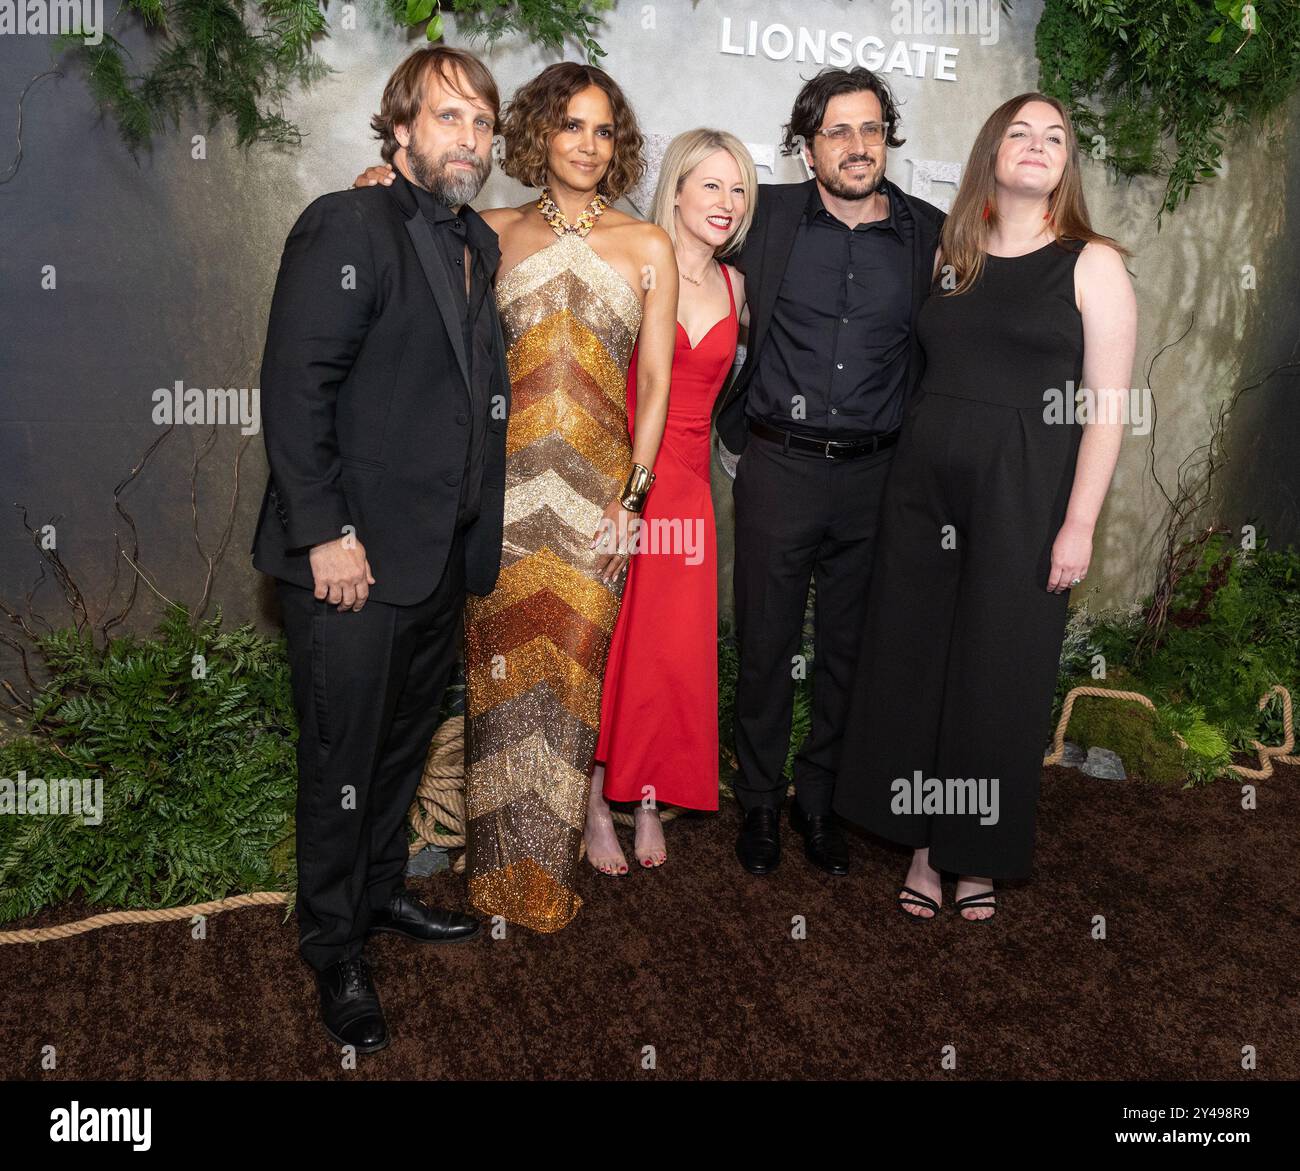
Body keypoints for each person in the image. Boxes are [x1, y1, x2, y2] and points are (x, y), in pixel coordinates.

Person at [357, 65, 677, 928]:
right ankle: (491, 873)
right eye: (571, 125)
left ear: (620, 146)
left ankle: (547, 870)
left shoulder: (649, 246)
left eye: (604, 131)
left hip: (597, 506)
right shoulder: (487, 231)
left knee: (569, 686)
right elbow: (415, 267)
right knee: (496, 686)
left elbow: (655, 384)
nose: (587, 145)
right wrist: (382, 185)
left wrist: (632, 498)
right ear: (538, 134)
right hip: (497, 499)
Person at [253, 46, 507, 1054]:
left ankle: (379, 891)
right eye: (449, 119)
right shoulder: (347, 222)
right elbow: (294, 385)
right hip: (350, 561)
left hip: (438, 561)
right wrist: (325, 534)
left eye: (482, 124)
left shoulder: (473, 240)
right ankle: (333, 943)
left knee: (399, 747)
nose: (471, 140)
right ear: (399, 131)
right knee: (340, 756)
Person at [831, 93, 1136, 921]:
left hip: (1028, 496)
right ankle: (925, 849)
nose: (1037, 147)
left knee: (998, 673)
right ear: (991, 154)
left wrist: (1078, 523)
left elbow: (1105, 409)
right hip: (924, 492)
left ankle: (977, 855)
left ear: (1065, 163)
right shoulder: (953, 254)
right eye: (1019, 134)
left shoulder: (1092, 263)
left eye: (1055, 138)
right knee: (917, 663)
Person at [712, 67, 944, 877]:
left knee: (850, 647)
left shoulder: (930, 233)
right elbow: (661, 237)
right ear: (807, 149)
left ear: (888, 139)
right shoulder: (764, 216)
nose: (857, 146)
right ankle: (760, 803)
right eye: (838, 132)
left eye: (871, 129)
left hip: (878, 476)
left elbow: (1013, 277)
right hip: (778, 466)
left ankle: (821, 799)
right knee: (767, 641)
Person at [586, 130, 756, 874]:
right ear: (677, 190)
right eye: (711, 185)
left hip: (690, 492)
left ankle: (648, 796)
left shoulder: (738, 286)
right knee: (610, 643)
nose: (726, 203)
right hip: (625, 481)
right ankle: (594, 801)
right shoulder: (633, 260)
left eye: (740, 189)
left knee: (669, 651)